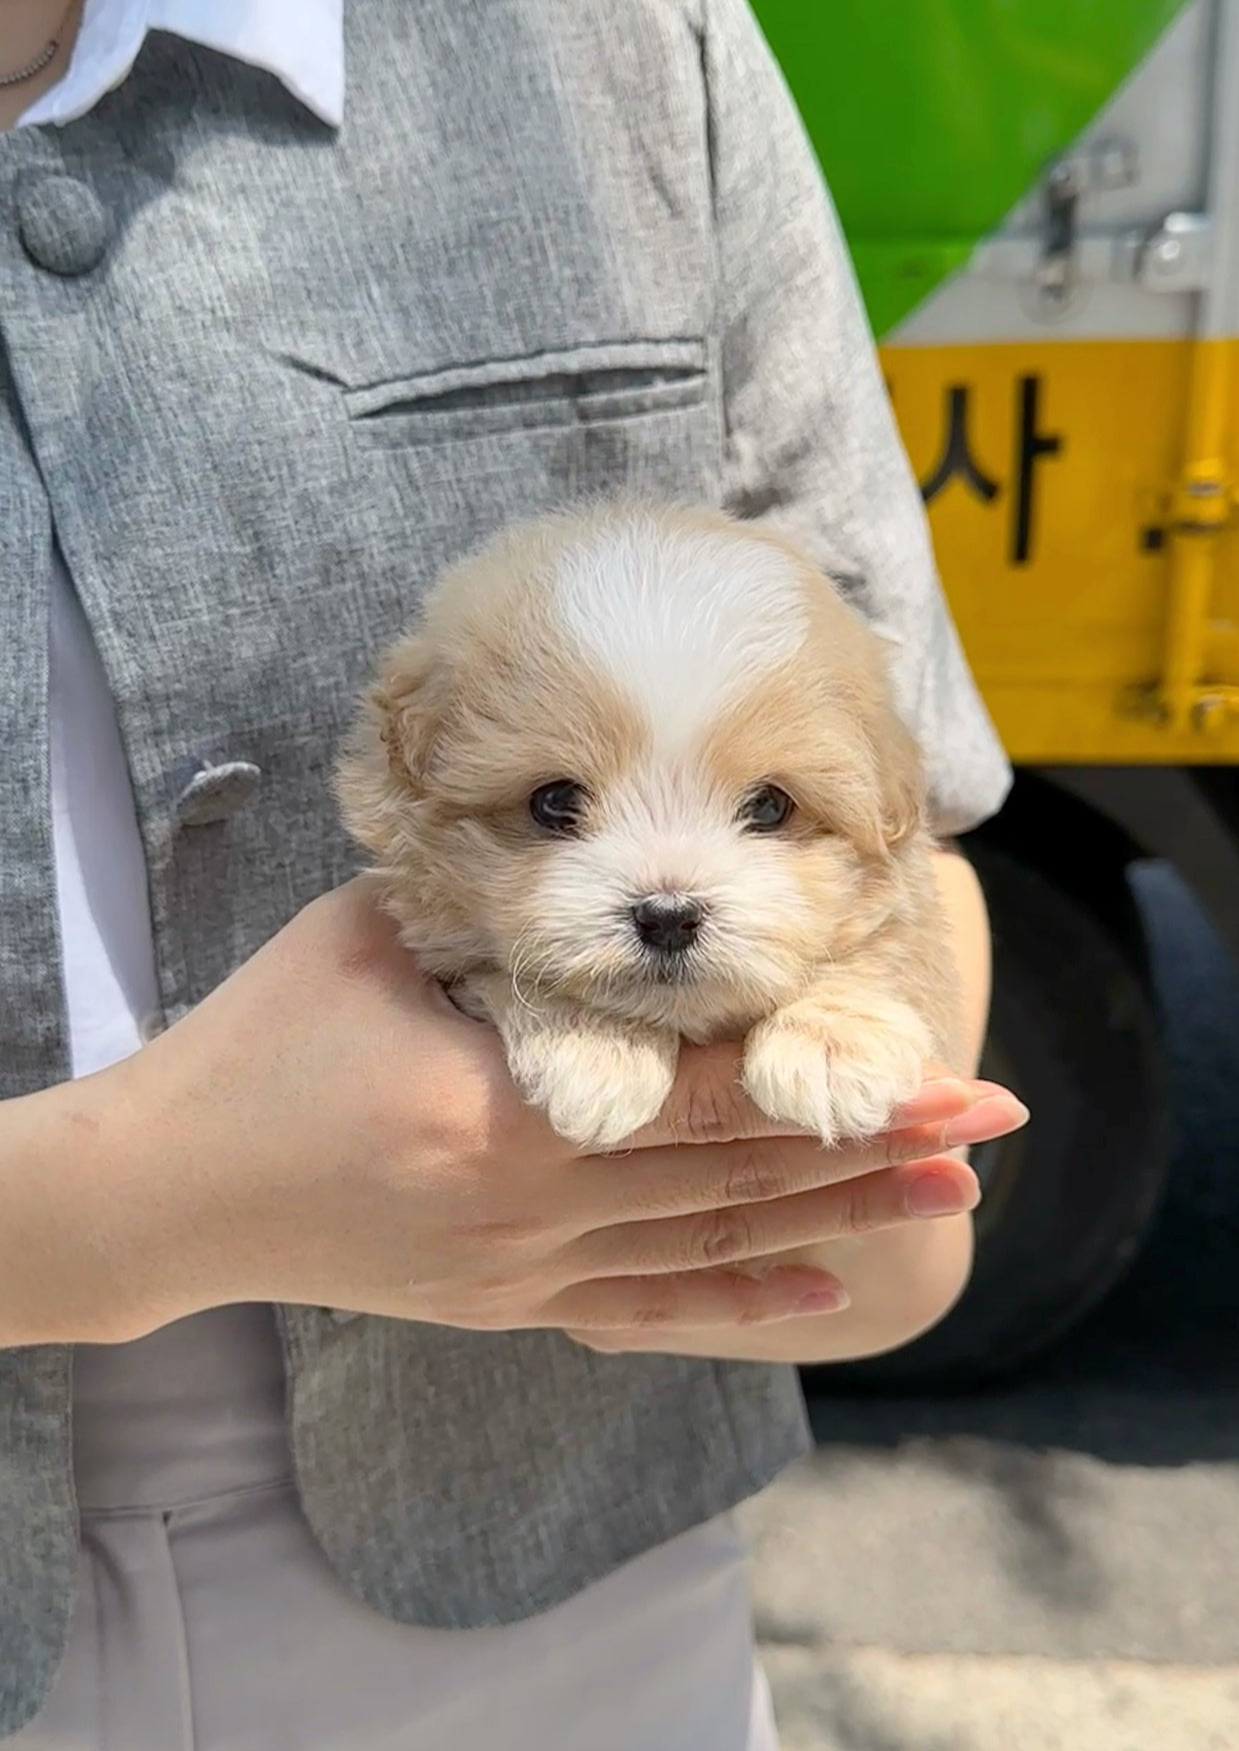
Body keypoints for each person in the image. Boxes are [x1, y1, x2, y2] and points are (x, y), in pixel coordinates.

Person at [0, 0, 1023, 1745]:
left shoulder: (619, 38)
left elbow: (895, 821)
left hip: (568, 1572)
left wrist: (846, 1158)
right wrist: (129, 1205)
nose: (659, 869)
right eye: (556, 802)